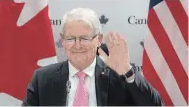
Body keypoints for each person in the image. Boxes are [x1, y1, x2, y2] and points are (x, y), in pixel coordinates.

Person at [22, 7, 164, 106]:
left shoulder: (119, 75)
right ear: (62, 40)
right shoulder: (43, 78)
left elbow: (155, 105)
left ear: (99, 39)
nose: (77, 45)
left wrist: (128, 71)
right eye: (71, 38)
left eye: (84, 38)